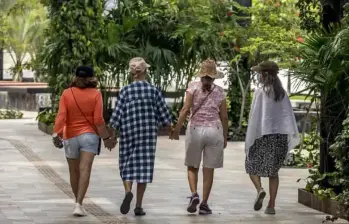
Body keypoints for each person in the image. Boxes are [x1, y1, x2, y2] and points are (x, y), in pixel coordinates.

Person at [109, 57, 172, 216]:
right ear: (145, 71)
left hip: (129, 132)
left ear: (131, 73)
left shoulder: (125, 91)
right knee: (144, 167)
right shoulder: (153, 90)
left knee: (126, 163)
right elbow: (164, 114)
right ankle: (138, 205)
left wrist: (111, 135)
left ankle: (128, 191)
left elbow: (116, 116)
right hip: (147, 134)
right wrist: (171, 129)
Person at [52, 66, 116, 217]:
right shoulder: (96, 94)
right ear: (91, 78)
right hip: (89, 136)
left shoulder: (67, 93)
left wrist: (57, 133)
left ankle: (77, 202)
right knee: (85, 170)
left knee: (73, 172)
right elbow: (98, 120)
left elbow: (61, 116)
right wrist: (106, 138)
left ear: (76, 77)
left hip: (70, 135)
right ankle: (79, 204)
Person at [171, 59, 228, 215]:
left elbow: (185, 110)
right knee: (208, 169)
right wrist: (225, 135)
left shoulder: (192, 87)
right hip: (214, 130)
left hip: (195, 129)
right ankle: (204, 204)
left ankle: (194, 193)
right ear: (214, 77)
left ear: (201, 75)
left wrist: (176, 130)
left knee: (192, 166)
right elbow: (224, 117)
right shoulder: (220, 91)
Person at [245, 61, 299, 215]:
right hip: (280, 136)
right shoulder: (282, 93)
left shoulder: (261, 91)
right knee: (273, 172)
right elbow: (287, 116)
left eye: (259, 73)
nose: (258, 76)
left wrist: (251, 135)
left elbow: (255, 116)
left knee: (250, 164)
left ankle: (260, 189)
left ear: (264, 74)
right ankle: (271, 205)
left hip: (264, 135)